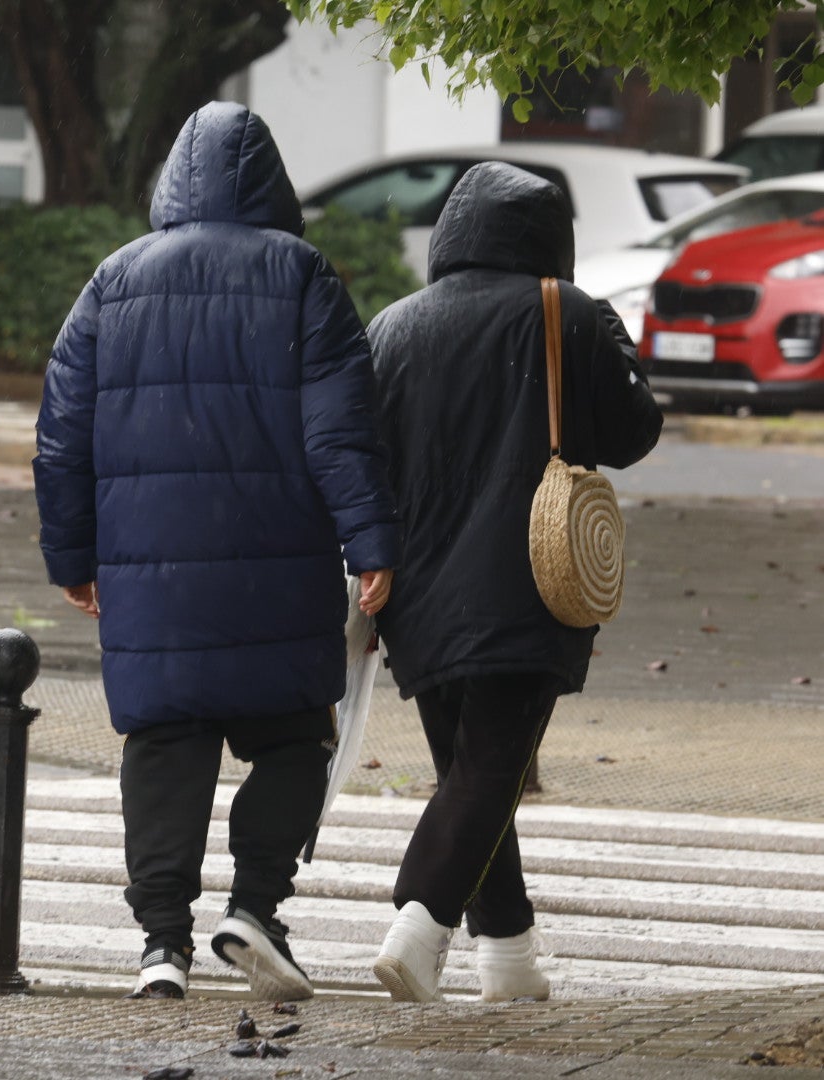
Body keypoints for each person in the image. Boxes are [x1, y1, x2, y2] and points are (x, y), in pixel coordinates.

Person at [33, 101, 401, 1002]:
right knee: (290, 737)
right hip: (275, 559)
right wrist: (369, 543)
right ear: (272, 183)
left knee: (164, 741)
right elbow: (340, 433)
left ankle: (162, 942)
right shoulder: (303, 276)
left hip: (148, 571)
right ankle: (255, 908)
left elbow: (61, 436)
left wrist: (72, 558)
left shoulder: (113, 281)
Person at [365, 162, 662, 1004]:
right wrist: (614, 343)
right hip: (528, 578)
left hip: (417, 592)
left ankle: (511, 958)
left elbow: (362, 460)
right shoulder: (562, 312)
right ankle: (418, 925)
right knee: (490, 767)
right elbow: (635, 429)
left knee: (473, 769)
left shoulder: (391, 326)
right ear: (547, 238)